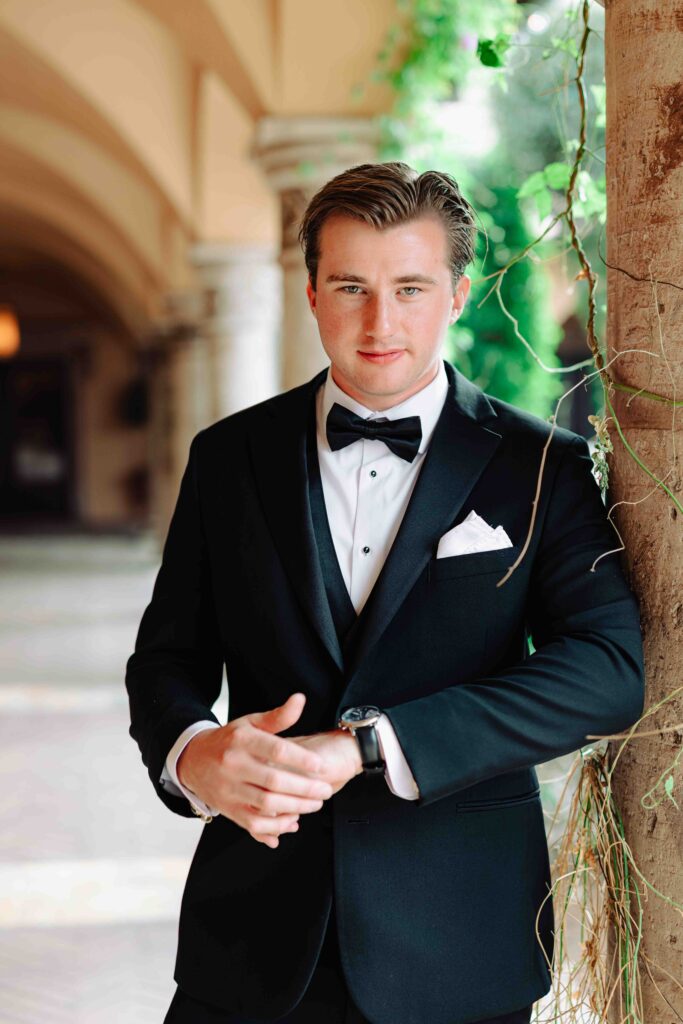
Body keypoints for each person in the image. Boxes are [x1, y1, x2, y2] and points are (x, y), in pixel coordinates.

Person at [125, 162, 645, 1024]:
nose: (379, 322)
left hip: (459, 940)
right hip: (249, 941)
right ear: (311, 293)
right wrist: (193, 755)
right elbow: (167, 658)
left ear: (458, 292)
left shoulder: (541, 465)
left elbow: (604, 671)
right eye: (351, 287)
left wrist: (367, 747)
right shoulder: (228, 457)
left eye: (409, 287)